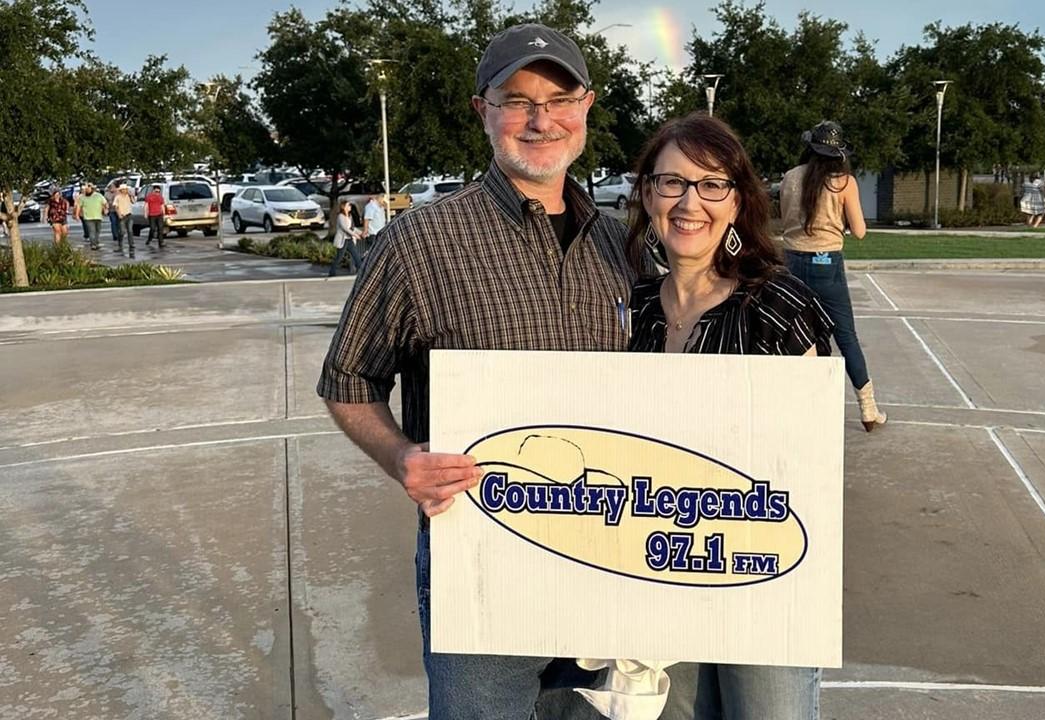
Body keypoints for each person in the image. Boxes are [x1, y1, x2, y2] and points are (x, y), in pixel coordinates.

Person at [317, 23, 638, 720]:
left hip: (611, 561)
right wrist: (403, 456)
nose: (540, 119)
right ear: (482, 111)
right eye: (516, 99)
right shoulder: (421, 241)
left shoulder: (623, 246)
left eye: (559, 97)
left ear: (586, 106)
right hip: (483, 562)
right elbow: (347, 380)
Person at [624, 112, 831, 720]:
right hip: (658, 573)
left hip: (760, 579)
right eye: (672, 183)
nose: (691, 202)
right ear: (646, 193)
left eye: (712, 184)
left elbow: (810, 466)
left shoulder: (781, 307)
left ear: (738, 202)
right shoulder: (624, 310)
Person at [778, 120, 887, 431]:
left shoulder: (789, 178)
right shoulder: (843, 182)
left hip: (791, 262)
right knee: (846, 336)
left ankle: (803, 408)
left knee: (799, 336)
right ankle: (868, 409)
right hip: (827, 262)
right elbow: (861, 231)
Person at [327, 200, 365, 276]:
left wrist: (361, 233)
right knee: (339, 257)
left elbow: (352, 228)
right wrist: (355, 235)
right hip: (343, 240)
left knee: (356, 255)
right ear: (344, 207)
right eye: (348, 205)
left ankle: (361, 271)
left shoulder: (349, 216)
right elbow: (345, 228)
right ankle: (332, 272)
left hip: (349, 240)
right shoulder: (340, 216)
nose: (350, 207)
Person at [77, 183, 107, 250]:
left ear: (92, 189)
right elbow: (79, 206)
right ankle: (93, 244)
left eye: (88, 189)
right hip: (88, 217)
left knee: (97, 231)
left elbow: (105, 203)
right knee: (91, 231)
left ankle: (96, 242)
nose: (86, 190)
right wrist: (77, 215)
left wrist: (105, 209)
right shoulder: (82, 197)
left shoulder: (99, 196)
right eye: (86, 189)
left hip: (98, 216)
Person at [113, 184, 135, 251]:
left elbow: (133, 202)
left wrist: (131, 195)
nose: (125, 190)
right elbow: (115, 207)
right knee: (122, 232)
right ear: (121, 190)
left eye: (126, 189)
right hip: (122, 216)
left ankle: (131, 245)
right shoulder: (117, 197)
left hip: (129, 215)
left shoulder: (128, 196)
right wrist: (119, 214)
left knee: (130, 231)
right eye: (123, 189)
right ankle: (120, 245)